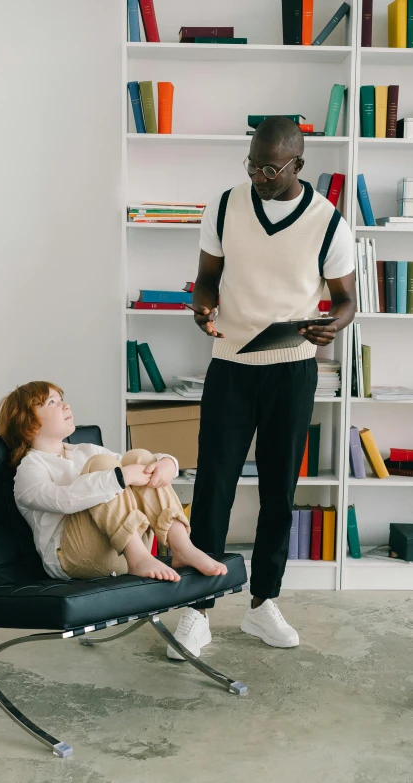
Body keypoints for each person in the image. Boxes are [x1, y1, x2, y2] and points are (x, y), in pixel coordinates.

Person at [168, 116, 357, 659]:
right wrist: (200, 308)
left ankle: (262, 604)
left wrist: (334, 324)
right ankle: (197, 610)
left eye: (270, 167)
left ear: (299, 164)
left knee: (280, 491)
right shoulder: (225, 206)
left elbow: (346, 300)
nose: (259, 176)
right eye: (251, 164)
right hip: (229, 363)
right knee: (213, 489)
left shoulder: (329, 223)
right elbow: (207, 278)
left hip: (292, 368)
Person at [0, 380, 228, 585]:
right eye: (52, 402)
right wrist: (121, 477)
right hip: (75, 558)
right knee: (105, 467)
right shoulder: (30, 468)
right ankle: (137, 556)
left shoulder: (85, 450)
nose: (66, 405)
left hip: (122, 551)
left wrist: (168, 463)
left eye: (62, 399)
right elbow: (63, 500)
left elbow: (137, 465)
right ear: (27, 424)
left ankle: (182, 546)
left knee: (139, 457)